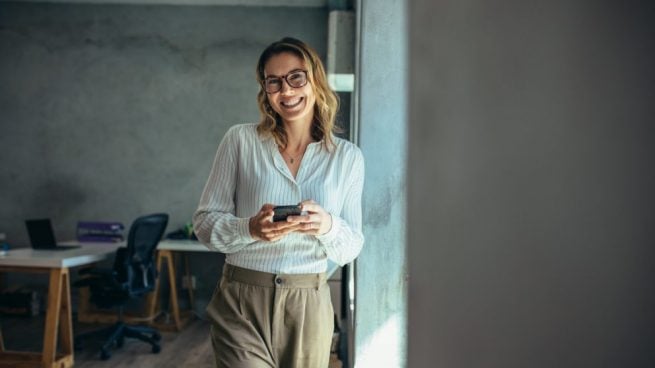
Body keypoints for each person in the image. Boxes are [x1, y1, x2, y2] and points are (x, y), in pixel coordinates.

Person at [193, 37, 365, 368]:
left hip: (308, 304)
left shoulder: (348, 157)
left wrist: (327, 225)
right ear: (265, 90)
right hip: (241, 300)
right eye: (274, 81)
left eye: (295, 77)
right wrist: (250, 228)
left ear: (315, 79)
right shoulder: (240, 140)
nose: (286, 91)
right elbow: (204, 223)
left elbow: (351, 246)